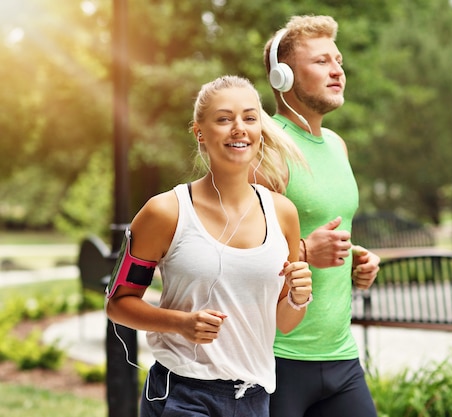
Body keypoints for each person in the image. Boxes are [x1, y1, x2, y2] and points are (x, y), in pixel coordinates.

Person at [105, 75, 313, 417]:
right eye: (223, 118)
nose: (238, 128)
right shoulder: (165, 212)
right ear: (199, 131)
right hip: (182, 392)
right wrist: (180, 323)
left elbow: (284, 322)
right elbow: (118, 303)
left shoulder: (283, 214)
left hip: (254, 395)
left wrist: (298, 297)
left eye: (249, 118)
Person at [256, 15, 380, 417]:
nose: (337, 71)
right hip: (278, 358)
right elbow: (237, 248)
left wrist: (355, 259)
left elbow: (323, 228)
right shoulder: (266, 147)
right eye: (322, 61)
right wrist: (308, 250)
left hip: (341, 356)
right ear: (283, 77)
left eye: (339, 61)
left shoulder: (337, 145)